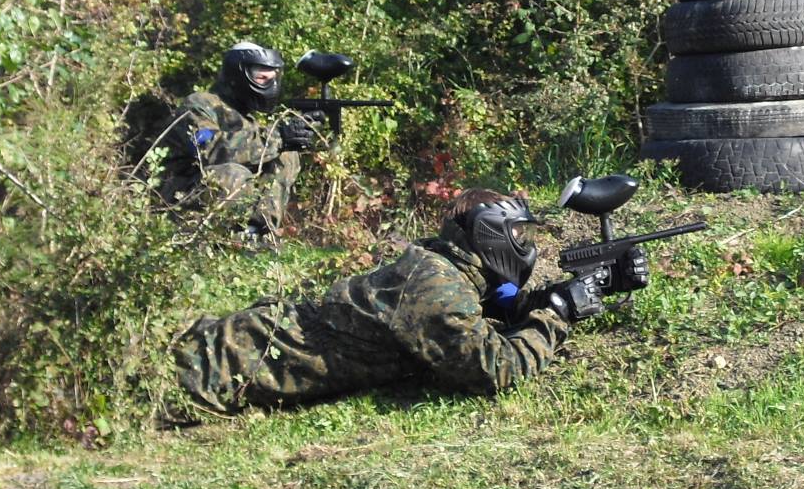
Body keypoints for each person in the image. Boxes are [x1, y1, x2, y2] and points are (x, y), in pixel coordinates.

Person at [167, 187, 650, 419]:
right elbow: (494, 368)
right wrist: (558, 311)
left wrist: (592, 286)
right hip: (218, 366)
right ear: (488, 235)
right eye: (517, 234)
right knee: (142, 393)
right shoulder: (434, 286)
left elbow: (485, 315)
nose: (526, 244)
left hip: (242, 346)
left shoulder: (443, 270)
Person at [158, 41, 320, 238]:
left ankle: (258, 232)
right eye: (262, 78)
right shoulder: (199, 105)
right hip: (181, 195)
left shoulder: (246, 118)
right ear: (238, 74)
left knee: (286, 155)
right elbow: (213, 150)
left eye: (273, 79)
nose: (271, 86)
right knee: (233, 172)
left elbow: (260, 151)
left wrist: (303, 133)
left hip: (218, 198)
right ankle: (216, 234)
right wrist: (278, 136)